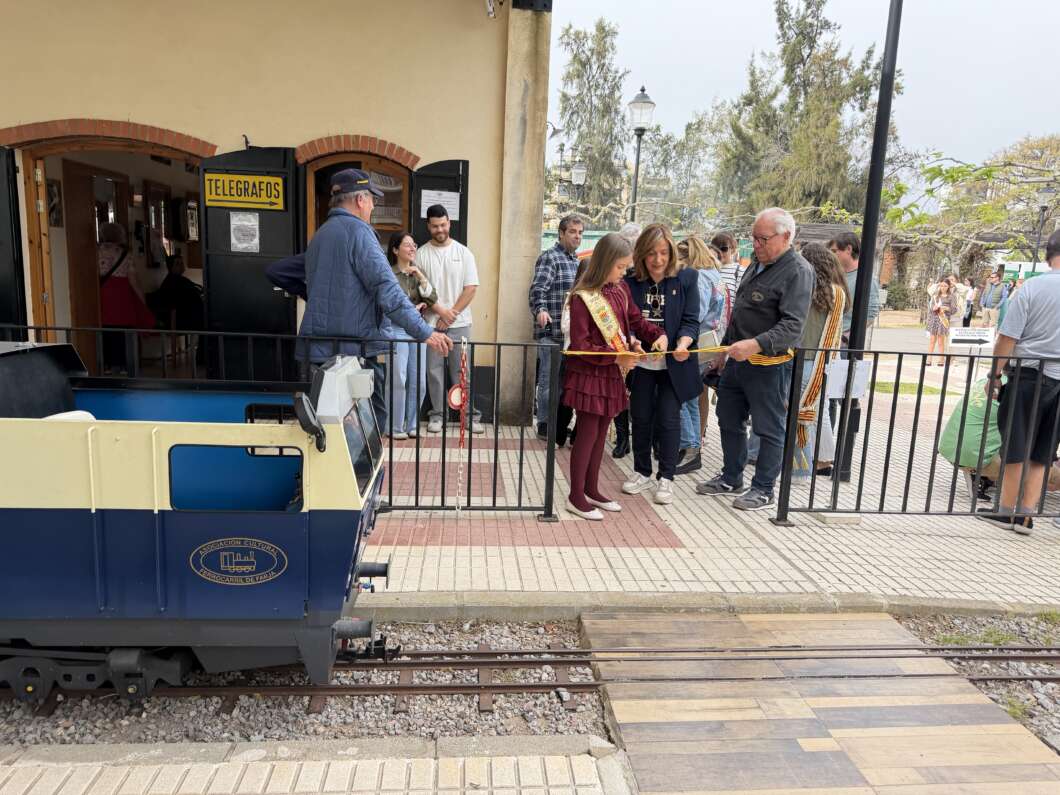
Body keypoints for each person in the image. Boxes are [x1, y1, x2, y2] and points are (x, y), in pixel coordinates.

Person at [300, 169, 453, 431]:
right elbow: (388, 290)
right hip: (353, 353)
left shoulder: (320, 235)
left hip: (319, 350)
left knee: (327, 431)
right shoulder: (359, 233)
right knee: (368, 434)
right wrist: (424, 331)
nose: (372, 206)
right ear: (360, 200)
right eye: (372, 199)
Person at [697, 208, 813, 511]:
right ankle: (731, 476)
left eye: (762, 239)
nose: (756, 245)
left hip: (770, 365)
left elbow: (792, 326)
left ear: (785, 236)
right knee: (729, 418)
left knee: (768, 427)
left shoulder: (798, 271)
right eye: (754, 238)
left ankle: (763, 489)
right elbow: (739, 313)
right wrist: (724, 351)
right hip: (737, 361)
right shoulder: (757, 264)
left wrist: (755, 344)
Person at [563, 233, 665, 520]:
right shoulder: (583, 297)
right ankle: (575, 496)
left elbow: (634, 321)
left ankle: (592, 489)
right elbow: (580, 345)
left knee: (600, 436)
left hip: (610, 372)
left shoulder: (620, 290)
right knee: (587, 433)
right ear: (605, 262)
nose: (624, 273)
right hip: (590, 373)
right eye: (620, 267)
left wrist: (655, 336)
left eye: (625, 268)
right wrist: (617, 355)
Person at [978, 230, 1060, 534]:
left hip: (1028, 374)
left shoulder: (1032, 288)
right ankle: (1027, 514)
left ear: (1047, 254)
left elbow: (1008, 338)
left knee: (1016, 444)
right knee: (1043, 450)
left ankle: (1006, 510)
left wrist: (994, 374)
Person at [621, 224, 701, 505]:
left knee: (668, 419)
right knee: (640, 417)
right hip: (642, 363)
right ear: (641, 254)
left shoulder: (687, 277)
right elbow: (625, 321)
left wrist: (683, 344)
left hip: (674, 365)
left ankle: (666, 478)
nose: (657, 260)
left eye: (663, 253)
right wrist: (632, 341)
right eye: (651, 254)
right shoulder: (630, 281)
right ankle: (642, 471)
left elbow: (692, 320)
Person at [415, 204, 484, 434]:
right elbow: (420, 289)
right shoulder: (421, 254)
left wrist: (449, 314)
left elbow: (471, 288)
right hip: (431, 326)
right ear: (429, 226)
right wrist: (441, 312)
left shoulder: (463, 253)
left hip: (460, 323)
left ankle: (469, 415)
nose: (440, 229)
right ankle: (437, 415)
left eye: (443, 224)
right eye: (435, 226)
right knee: (434, 371)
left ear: (449, 223)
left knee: (461, 371)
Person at [789, 243, 849, 481]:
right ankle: (822, 460)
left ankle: (800, 470)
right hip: (825, 360)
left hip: (803, 359)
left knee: (800, 416)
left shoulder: (806, 290)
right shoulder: (839, 292)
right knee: (815, 413)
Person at [529, 214, 583, 441]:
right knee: (549, 382)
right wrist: (540, 310)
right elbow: (537, 289)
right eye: (572, 232)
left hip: (570, 336)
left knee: (564, 384)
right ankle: (544, 423)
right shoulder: (550, 258)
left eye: (580, 233)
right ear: (561, 233)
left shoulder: (576, 262)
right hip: (551, 333)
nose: (577, 237)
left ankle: (558, 425)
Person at [675, 236, 725, 475]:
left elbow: (697, 311)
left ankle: (689, 446)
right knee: (691, 397)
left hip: (696, 341)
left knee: (680, 395)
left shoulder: (699, 276)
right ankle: (692, 448)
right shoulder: (714, 273)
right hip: (708, 342)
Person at [384, 231, 437, 439]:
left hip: (417, 329)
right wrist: (409, 309)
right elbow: (387, 302)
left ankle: (412, 425)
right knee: (398, 378)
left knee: (418, 380)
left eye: (414, 244)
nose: (413, 248)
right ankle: (394, 427)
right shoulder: (388, 273)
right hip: (396, 328)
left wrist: (421, 277)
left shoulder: (417, 272)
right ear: (396, 250)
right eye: (407, 245)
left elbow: (433, 297)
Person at [97, 222, 157, 372]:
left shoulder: (96, 252)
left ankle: (107, 365)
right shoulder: (125, 255)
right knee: (124, 329)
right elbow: (134, 280)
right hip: (122, 295)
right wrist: (142, 300)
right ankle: (124, 365)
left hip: (103, 294)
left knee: (105, 327)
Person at [610, 221, 643, 458]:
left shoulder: (643, 274)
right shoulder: (618, 275)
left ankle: (643, 439)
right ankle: (622, 438)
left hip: (644, 339)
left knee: (640, 394)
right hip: (621, 339)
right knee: (621, 390)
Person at [828, 231, 880, 343]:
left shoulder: (866, 278)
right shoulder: (833, 274)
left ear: (848, 249)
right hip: (827, 340)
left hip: (844, 345)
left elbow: (870, 314)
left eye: (834, 251)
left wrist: (846, 337)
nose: (831, 255)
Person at [926, 279, 957, 365]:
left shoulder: (952, 296)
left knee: (940, 340)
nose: (943, 288)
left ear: (949, 287)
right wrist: (934, 308)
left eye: (945, 286)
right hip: (935, 318)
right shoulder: (936, 296)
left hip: (943, 319)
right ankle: (929, 359)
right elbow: (931, 308)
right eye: (942, 286)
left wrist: (947, 308)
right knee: (932, 340)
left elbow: (954, 309)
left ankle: (941, 359)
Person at [714, 232, 745, 309]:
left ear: (732, 249)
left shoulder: (739, 271)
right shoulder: (709, 270)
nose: (719, 252)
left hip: (728, 319)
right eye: (716, 248)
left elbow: (739, 302)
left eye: (724, 249)